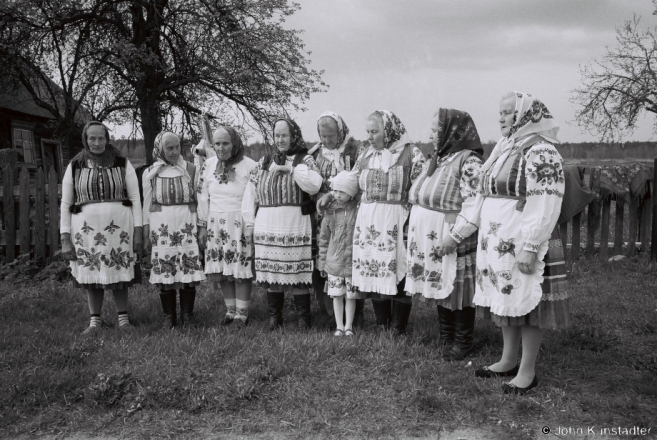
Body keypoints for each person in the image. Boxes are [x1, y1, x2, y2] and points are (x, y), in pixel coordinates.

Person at [450, 92, 569, 394]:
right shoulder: (505, 148)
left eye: (507, 112)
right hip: (498, 240)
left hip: (522, 239)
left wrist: (531, 245)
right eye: (500, 112)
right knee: (507, 298)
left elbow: (546, 201)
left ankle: (527, 371)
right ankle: (507, 360)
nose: (501, 118)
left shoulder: (541, 151)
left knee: (527, 302)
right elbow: (482, 191)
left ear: (525, 115)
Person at [320, 111, 425, 335]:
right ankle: (382, 322)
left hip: (397, 218)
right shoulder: (367, 154)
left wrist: (412, 214)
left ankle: (397, 326)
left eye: (374, 131)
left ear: (389, 130)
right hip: (368, 219)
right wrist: (332, 194)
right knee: (373, 268)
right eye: (368, 131)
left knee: (398, 268)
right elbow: (352, 179)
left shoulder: (410, 153)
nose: (369, 136)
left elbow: (421, 185)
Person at [406, 109, 483, 360]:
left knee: (457, 288)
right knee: (441, 284)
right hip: (431, 235)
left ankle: (463, 342)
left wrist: (456, 236)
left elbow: (474, 204)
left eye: (435, 129)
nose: (431, 133)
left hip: (451, 234)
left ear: (452, 130)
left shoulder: (469, 161)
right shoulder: (441, 158)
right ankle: (446, 337)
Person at [60, 121, 142, 334]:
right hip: (86, 231)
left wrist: (139, 230)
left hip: (120, 230)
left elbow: (135, 198)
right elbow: (66, 204)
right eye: (92, 138)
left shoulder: (122, 163)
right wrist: (65, 237)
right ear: (85, 140)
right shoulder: (75, 166)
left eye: (101, 138)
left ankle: (123, 320)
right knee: (91, 272)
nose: (97, 142)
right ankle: (95, 321)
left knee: (120, 271)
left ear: (107, 139)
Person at [245, 118, 323, 330]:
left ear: (293, 136)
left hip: (294, 223)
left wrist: (291, 170)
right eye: (277, 135)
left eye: (284, 135)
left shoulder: (304, 159)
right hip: (267, 224)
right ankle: (274, 317)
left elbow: (314, 185)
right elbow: (250, 194)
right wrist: (249, 223)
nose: (280, 139)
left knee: (298, 273)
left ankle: (303, 319)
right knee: (273, 274)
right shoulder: (264, 161)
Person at [308, 111, 366, 330]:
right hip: (322, 214)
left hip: (349, 212)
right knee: (324, 259)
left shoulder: (355, 150)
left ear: (341, 131)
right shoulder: (314, 153)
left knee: (350, 262)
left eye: (331, 135)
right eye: (323, 135)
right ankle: (330, 312)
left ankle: (355, 315)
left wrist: (333, 195)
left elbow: (359, 181)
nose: (327, 140)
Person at [142, 132, 205, 328]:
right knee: (165, 272)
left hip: (187, 226)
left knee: (187, 269)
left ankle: (187, 315)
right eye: (169, 148)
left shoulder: (191, 169)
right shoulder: (151, 172)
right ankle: (169, 316)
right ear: (160, 148)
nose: (175, 151)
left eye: (177, 147)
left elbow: (200, 200)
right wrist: (145, 230)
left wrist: (202, 226)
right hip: (162, 228)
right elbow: (146, 204)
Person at [197, 127, 256, 326]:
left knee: (240, 267)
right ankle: (230, 311)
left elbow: (253, 198)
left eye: (226, 143)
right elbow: (203, 196)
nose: (221, 148)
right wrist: (203, 225)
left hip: (239, 220)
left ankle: (242, 313)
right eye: (217, 144)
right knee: (223, 269)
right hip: (215, 221)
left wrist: (250, 225)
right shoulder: (208, 165)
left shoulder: (250, 166)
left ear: (235, 143)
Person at [316, 170, 365, 336]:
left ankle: (349, 326)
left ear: (351, 192)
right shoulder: (330, 212)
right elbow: (323, 239)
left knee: (351, 296)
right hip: (334, 263)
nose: (337, 195)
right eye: (335, 191)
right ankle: (339, 325)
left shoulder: (359, 211)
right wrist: (322, 263)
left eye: (342, 191)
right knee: (337, 295)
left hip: (352, 262)